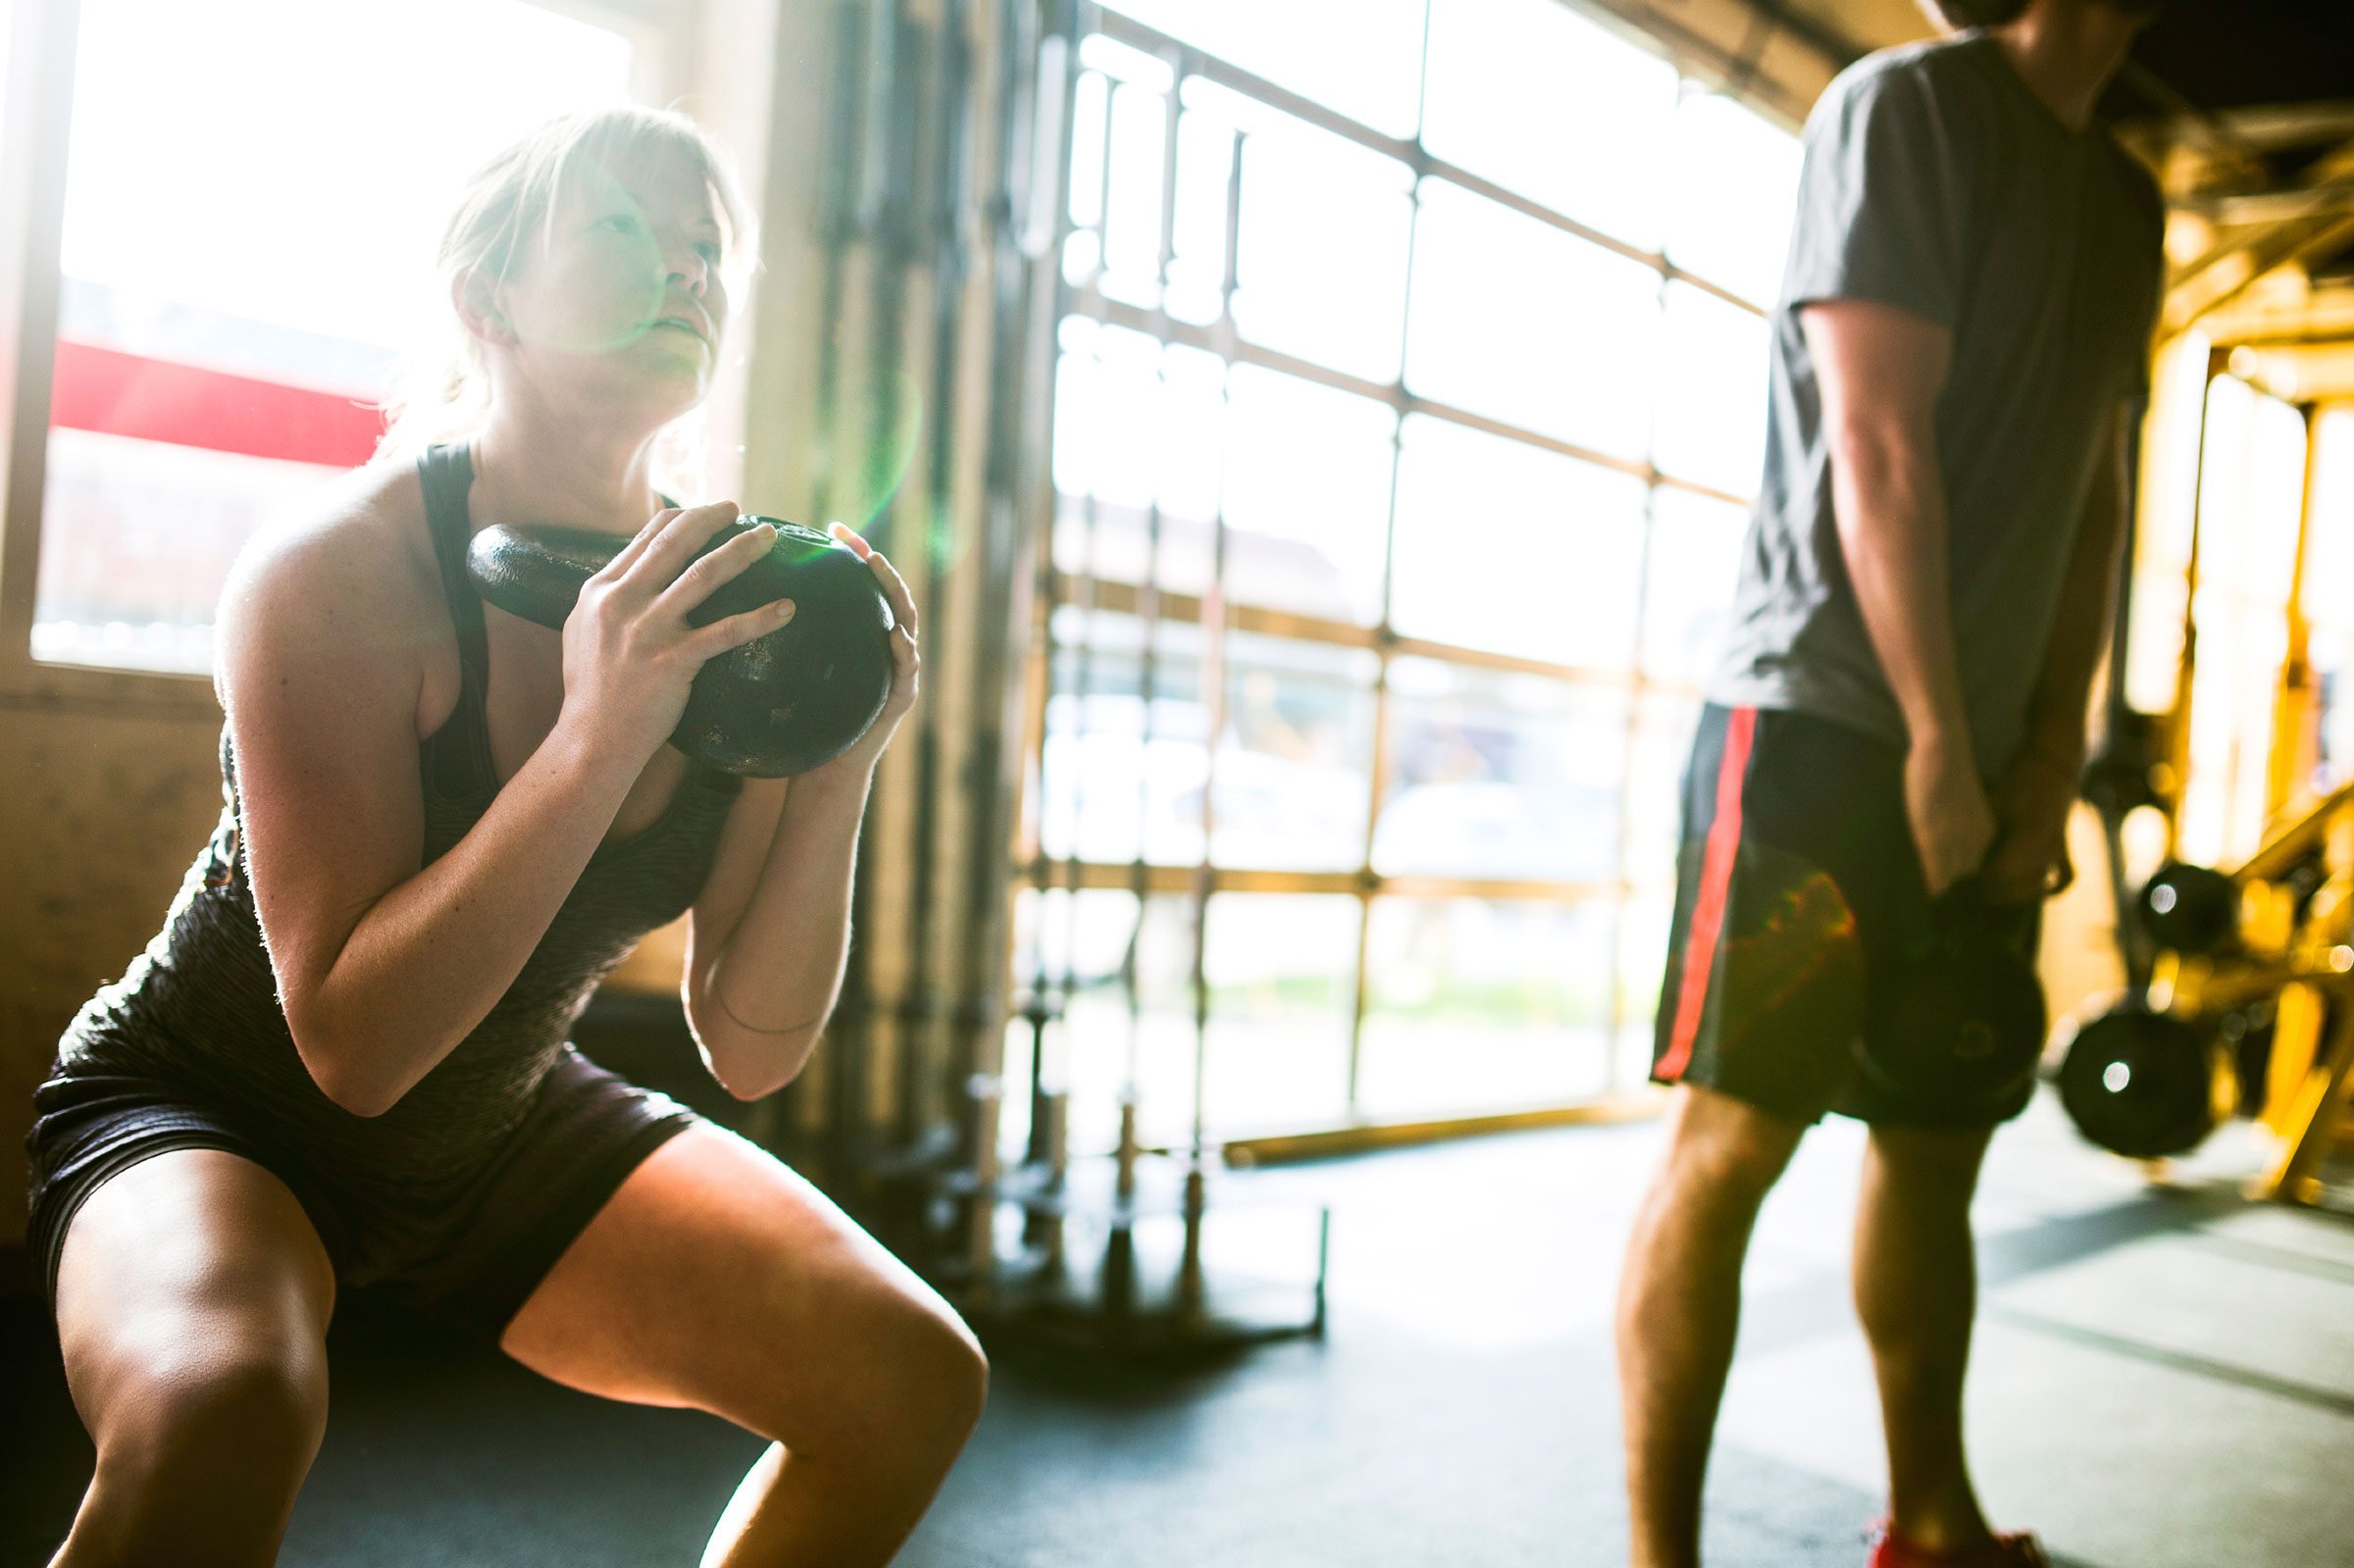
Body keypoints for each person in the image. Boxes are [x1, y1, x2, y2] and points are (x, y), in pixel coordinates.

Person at [25, 106, 985, 1568]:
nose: (686, 272)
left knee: (908, 1378)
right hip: (211, 1105)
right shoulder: (335, 575)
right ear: (487, 302)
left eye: (706, 250)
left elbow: (754, 1047)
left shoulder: (745, 617)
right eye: (623, 232)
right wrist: (600, 735)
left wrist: (840, 758)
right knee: (223, 1408)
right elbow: (351, 1050)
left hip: (494, 1115)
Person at [1615, 2, 2167, 1565]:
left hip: (1983, 761)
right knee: (1735, 1140)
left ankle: (1931, 1521)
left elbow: (2092, 493)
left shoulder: (2126, 201)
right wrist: (1935, 735)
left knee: (1936, 1141)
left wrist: (2046, 748)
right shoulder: (1906, 111)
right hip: (1821, 729)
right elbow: (1878, 435)